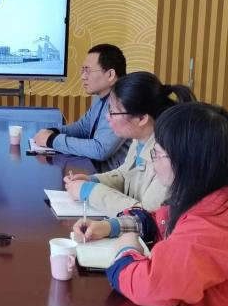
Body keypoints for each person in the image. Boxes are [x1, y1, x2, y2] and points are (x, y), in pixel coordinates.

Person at [73, 103, 228, 306]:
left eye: (158, 154)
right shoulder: (226, 192)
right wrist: (112, 226)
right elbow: (162, 219)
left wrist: (125, 252)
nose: (153, 163)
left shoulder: (217, 223)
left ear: (185, 163)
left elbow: (151, 286)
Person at [64, 72, 195, 216]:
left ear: (141, 119)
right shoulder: (140, 139)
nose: (107, 117)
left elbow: (147, 215)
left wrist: (90, 192)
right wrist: (93, 180)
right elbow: (124, 175)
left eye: (113, 112)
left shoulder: (167, 157)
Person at [34, 44, 129, 171]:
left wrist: (52, 140)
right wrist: (54, 131)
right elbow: (83, 128)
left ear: (110, 74)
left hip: (113, 177)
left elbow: (100, 149)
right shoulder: (100, 97)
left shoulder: (123, 101)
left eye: (88, 71)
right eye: (83, 70)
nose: (83, 76)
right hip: (95, 170)